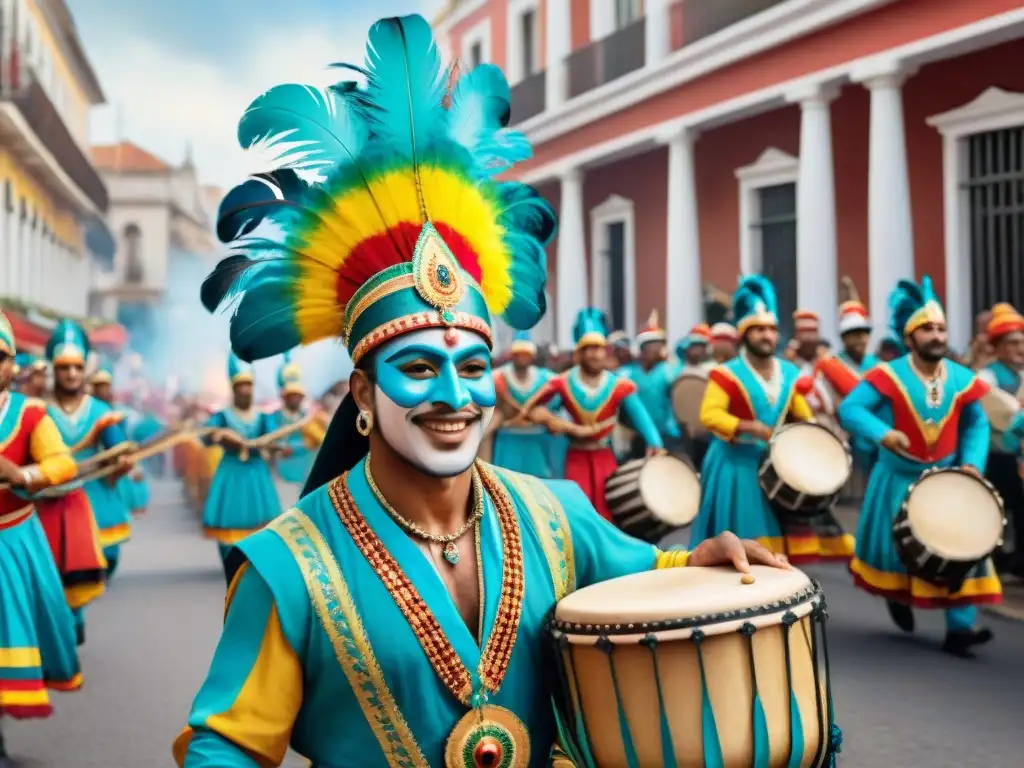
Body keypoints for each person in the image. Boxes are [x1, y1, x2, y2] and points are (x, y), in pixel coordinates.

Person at [172, 19, 789, 765]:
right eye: (418, 368)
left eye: (472, 367)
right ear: (362, 393)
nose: (455, 395)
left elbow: (647, 577)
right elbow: (228, 743)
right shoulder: (289, 565)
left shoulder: (555, 515)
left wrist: (703, 563)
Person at [838, 277, 1000, 658]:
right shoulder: (887, 375)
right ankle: (897, 596)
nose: (937, 335)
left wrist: (972, 465)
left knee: (960, 546)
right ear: (909, 338)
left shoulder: (961, 379)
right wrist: (883, 433)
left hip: (948, 479)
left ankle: (960, 628)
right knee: (899, 552)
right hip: (898, 477)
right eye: (927, 329)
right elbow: (850, 409)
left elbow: (976, 424)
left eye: (941, 328)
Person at [690, 275, 854, 563]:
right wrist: (748, 426)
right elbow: (710, 415)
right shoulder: (727, 373)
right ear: (744, 335)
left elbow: (801, 413)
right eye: (758, 330)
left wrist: (819, 434)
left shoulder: (789, 373)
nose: (766, 336)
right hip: (735, 465)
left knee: (778, 548)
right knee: (743, 546)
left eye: (771, 330)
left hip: (776, 463)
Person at [0, 312, 81, 768]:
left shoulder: (30, 413)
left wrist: (21, 474)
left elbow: (62, 464)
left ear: (12, 363)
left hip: (12, 540)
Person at [524, 308, 664, 520]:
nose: (594, 354)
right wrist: (560, 424)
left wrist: (654, 443)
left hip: (605, 456)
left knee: (607, 512)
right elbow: (533, 409)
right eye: (588, 349)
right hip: (574, 456)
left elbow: (640, 416)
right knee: (576, 512)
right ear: (579, 352)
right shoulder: (562, 382)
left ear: (605, 351)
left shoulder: (618, 385)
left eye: (599, 348)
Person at [45, 321, 135, 589]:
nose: (72, 374)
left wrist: (121, 462)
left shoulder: (100, 412)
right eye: (64, 367)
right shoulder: (37, 411)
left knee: (104, 561)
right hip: (50, 500)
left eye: (78, 367)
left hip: (94, 499)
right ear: (54, 369)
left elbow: (117, 448)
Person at [200, 354, 283, 578]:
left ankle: (256, 565)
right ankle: (231, 563)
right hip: (231, 472)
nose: (245, 391)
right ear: (234, 389)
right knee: (229, 520)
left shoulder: (263, 416)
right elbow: (205, 435)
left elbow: (274, 439)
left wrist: (272, 446)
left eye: (248, 386)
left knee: (262, 524)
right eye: (241, 387)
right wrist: (217, 436)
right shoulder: (222, 416)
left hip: (256, 473)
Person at [977, 304, 1024, 577]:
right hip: (997, 457)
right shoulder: (987, 377)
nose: (1020, 348)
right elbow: (1002, 417)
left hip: (1018, 458)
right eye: (1013, 343)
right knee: (996, 509)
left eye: (1022, 342)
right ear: (998, 347)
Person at [811, 300, 880, 471]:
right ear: (843, 337)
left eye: (863, 333)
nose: (860, 339)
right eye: (853, 334)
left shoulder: (880, 366)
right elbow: (824, 404)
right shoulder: (829, 366)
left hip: (877, 442)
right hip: (842, 440)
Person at [489, 331, 558, 478]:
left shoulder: (546, 379)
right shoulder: (496, 377)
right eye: (518, 353)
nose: (522, 357)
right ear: (512, 354)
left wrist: (547, 416)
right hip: (508, 440)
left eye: (526, 353)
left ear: (532, 355)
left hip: (536, 442)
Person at [618, 310, 683, 456]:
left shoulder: (669, 370)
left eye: (660, 345)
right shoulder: (627, 373)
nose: (657, 349)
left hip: (667, 434)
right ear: (642, 349)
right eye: (652, 346)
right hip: (636, 435)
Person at [269, 353, 325, 509]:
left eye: (297, 395)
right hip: (282, 477)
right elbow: (273, 442)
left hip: (306, 475)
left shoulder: (310, 419)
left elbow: (321, 441)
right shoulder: (274, 418)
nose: (295, 398)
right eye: (291, 395)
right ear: (283, 396)